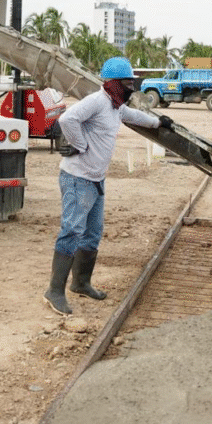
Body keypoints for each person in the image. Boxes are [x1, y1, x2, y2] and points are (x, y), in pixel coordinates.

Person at [45, 56, 174, 314]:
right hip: (77, 178)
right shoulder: (96, 101)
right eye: (127, 83)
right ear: (113, 83)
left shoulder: (115, 106)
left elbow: (135, 115)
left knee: (92, 233)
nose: (131, 88)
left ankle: (80, 283)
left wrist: (159, 121)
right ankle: (54, 291)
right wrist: (80, 145)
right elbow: (67, 120)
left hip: (96, 179)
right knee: (72, 230)